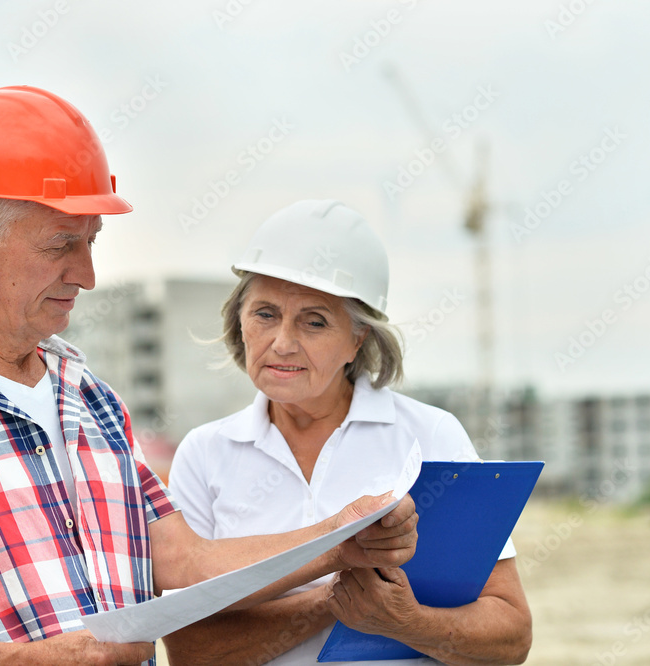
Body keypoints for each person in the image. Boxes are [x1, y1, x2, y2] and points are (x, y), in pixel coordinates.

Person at [0, 89, 419, 666]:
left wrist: (339, 541)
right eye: (61, 245)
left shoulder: (90, 398)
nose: (87, 274)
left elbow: (186, 562)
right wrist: (21, 662)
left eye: (91, 242)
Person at [163, 200, 533, 666]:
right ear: (240, 320)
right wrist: (334, 597)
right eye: (265, 314)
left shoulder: (428, 436)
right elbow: (190, 651)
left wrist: (406, 621)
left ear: (359, 338)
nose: (282, 343)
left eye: (314, 321)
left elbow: (511, 637)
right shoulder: (205, 453)